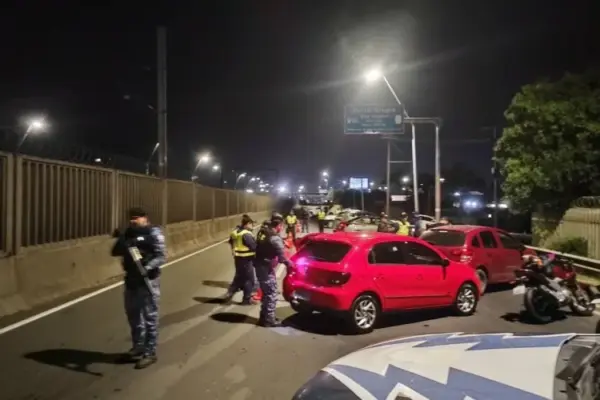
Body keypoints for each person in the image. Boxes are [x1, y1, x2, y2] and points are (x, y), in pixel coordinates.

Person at [111, 207, 165, 369]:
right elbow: (115, 252)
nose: (133, 220)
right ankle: (138, 346)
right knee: (133, 316)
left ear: (145, 218)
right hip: (131, 280)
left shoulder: (154, 233)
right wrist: (122, 239)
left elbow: (161, 256)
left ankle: (150, 352)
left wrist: (147, 268)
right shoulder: (128, 233)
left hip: (148, 281)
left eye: (137, 218)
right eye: (131, 218)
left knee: (150, 317)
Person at [254, 213, 293, 327]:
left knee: (266, 293)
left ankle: (264, 317)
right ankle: (268, 320)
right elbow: (282, 258)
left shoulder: (263, 232)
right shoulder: (275, 238)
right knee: (271, 293)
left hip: (260, 264)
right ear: (279, 225)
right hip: (265, 268)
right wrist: (292, 264)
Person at [224, 214, 258, 305]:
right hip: (246, 259)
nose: (252, 226)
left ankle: (229, 293)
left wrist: (233, 251)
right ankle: (246, 300)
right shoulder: (246, 234)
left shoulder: (235, 232)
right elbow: (254, 247)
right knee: (249, 280)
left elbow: (231, 242)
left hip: (238, 259)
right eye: (251, 224)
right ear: (247, 224)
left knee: (239, 278)